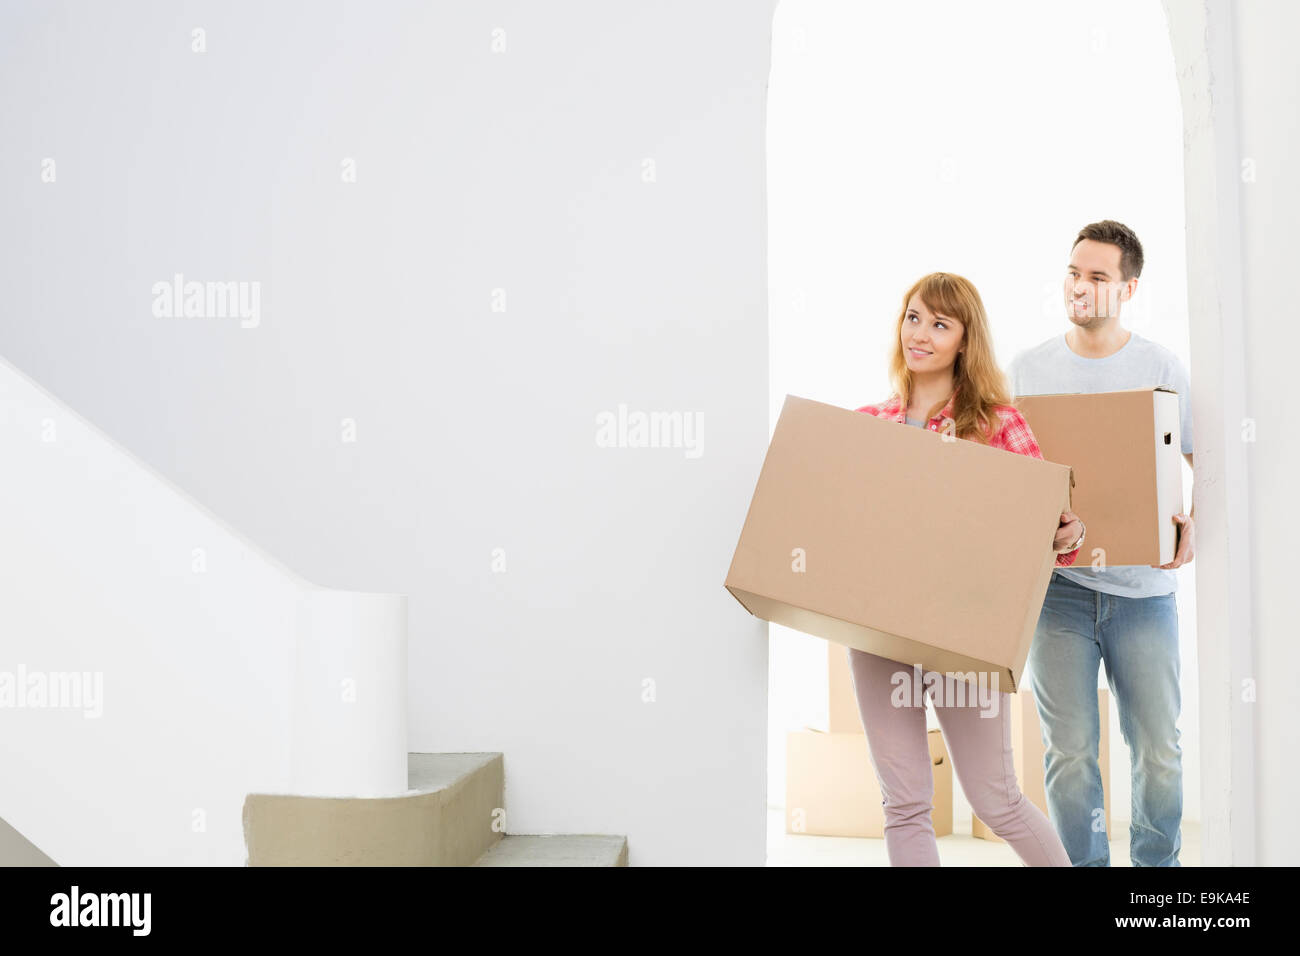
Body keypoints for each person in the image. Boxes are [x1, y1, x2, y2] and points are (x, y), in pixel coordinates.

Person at [849, 271, 1083, 867]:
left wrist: (1068, 532)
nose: (920, 334)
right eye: (913, 317)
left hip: (965, 632)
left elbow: (1055, 532)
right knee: (904, 803)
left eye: (939, 323)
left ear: (964, 340)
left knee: (996, 799)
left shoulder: (999, 425)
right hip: (879, 634)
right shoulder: (866, 425)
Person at [1009, 220, 1195, 867]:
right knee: (1068, 753)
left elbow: (1200, 457)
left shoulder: (1161, 366)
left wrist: (1192, 518)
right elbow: (1006, 477)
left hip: (1144, 592)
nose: (1078, 287)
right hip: (1058, 594)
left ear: (1129, 288)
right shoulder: (1029, 370)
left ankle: (1155, 876)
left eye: (1096, 277)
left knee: (1159, 751)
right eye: (1072, 272)